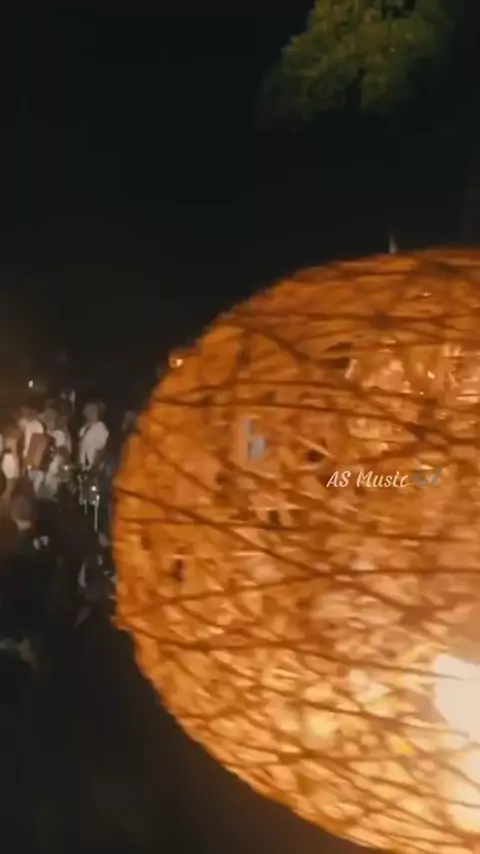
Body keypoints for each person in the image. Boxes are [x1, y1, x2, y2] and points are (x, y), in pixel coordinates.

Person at [78, 401, 109, 470]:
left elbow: (102, 449)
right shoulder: (83, 429)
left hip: (94, 468)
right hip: (83, 467)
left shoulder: (101, 427)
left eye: (93, 411)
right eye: (88, 410)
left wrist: (95, 467)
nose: (90, 413)